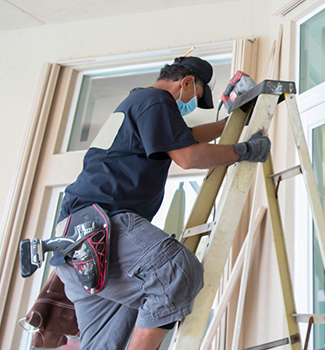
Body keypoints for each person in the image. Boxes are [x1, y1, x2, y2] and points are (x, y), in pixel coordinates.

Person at [52, 56, 271, 350]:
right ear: (187, 82)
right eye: (197, 95)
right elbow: (188, 155)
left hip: (75, 242)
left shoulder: (138, 103)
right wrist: (242, 151)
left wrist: (230, 123)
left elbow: (188, 137)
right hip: (100, 229)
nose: (192, 102)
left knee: (105, 344)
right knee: (177, 273)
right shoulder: (156, 100)